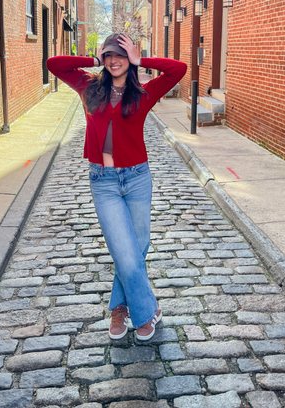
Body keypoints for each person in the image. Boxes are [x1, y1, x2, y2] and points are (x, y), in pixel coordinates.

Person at [47, 33, 187, 341]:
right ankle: (145, 310)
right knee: (124, 251)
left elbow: (178, 69)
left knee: (136, 249)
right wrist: (94, 59)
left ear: (130, 58)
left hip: (137, 178)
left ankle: (118, 308)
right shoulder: (89, 87)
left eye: (120, 55)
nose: (114, 60)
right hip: (104, 182)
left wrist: (142, 59)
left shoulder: (144, 93)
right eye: (109, 55)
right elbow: (54, 64)